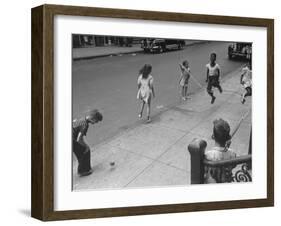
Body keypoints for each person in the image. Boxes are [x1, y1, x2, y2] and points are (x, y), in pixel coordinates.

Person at [204, 118, 237, 183]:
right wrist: (227, 149)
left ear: (213, 136)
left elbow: (205, 170)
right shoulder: (232, 154)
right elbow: (234, 165)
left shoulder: (208, 155)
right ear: (228, 137)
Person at [72, 109, 103, 177]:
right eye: (96, 121)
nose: (95, 123)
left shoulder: (82, 119)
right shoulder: (85, 125)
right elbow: (79, 139)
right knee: (85, 151)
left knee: (82, 152)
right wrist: (86, 146)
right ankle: (83, 171)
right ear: (93, 119)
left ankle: (83, 169)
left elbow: (78, 134)